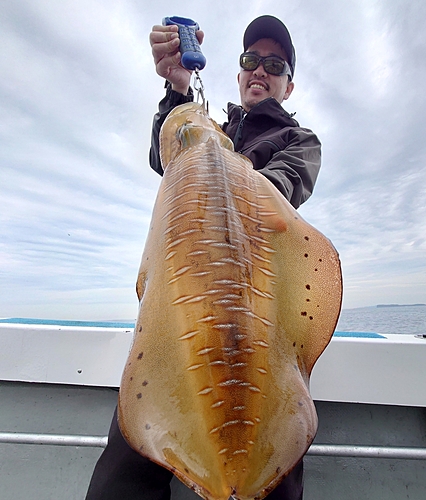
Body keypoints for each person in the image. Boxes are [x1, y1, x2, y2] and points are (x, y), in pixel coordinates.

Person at [86, 15, 321, 500]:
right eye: (251, 60)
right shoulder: (209, 126)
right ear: (238, 73)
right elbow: (168, 155)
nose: (260, 70)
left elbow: (281, 192)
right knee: (130, 458)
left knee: (275, 462)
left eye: (273, 65)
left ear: (288, 84)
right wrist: (177, 90)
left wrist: (219, 162)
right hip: (181, 316)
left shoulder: (298, 142)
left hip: (261, 318)